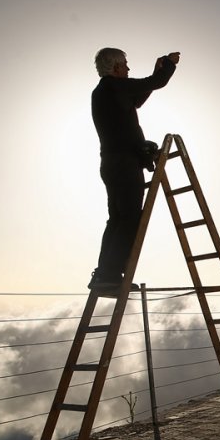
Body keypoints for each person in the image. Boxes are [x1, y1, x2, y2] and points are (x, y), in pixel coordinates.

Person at [89, 48, 180, 293]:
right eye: (126, 65)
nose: (129, 69)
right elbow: (155, 83)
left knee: (117, 218)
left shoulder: (104, 92)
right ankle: (110, 274)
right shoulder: (114, 87)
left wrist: (156, 73)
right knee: (129, 219)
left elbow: (138, 98)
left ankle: (104, 274)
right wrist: (168, 66)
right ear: (116, 68)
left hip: (111, 163)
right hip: (124, 163)